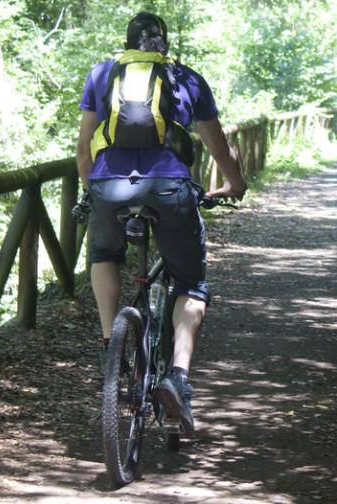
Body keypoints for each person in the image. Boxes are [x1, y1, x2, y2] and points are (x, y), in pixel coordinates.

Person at [76, 12, 246, 436]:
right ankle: (178, 379)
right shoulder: (186, 79)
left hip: (108, 187)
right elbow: (217, 144)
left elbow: (83, 147)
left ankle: (108, 345)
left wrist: (91, 192)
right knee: (189, 281)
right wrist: (235, 183)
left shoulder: (102, 76)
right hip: (168, 188)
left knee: (103, 253)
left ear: (128, 42)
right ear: (163, 44)